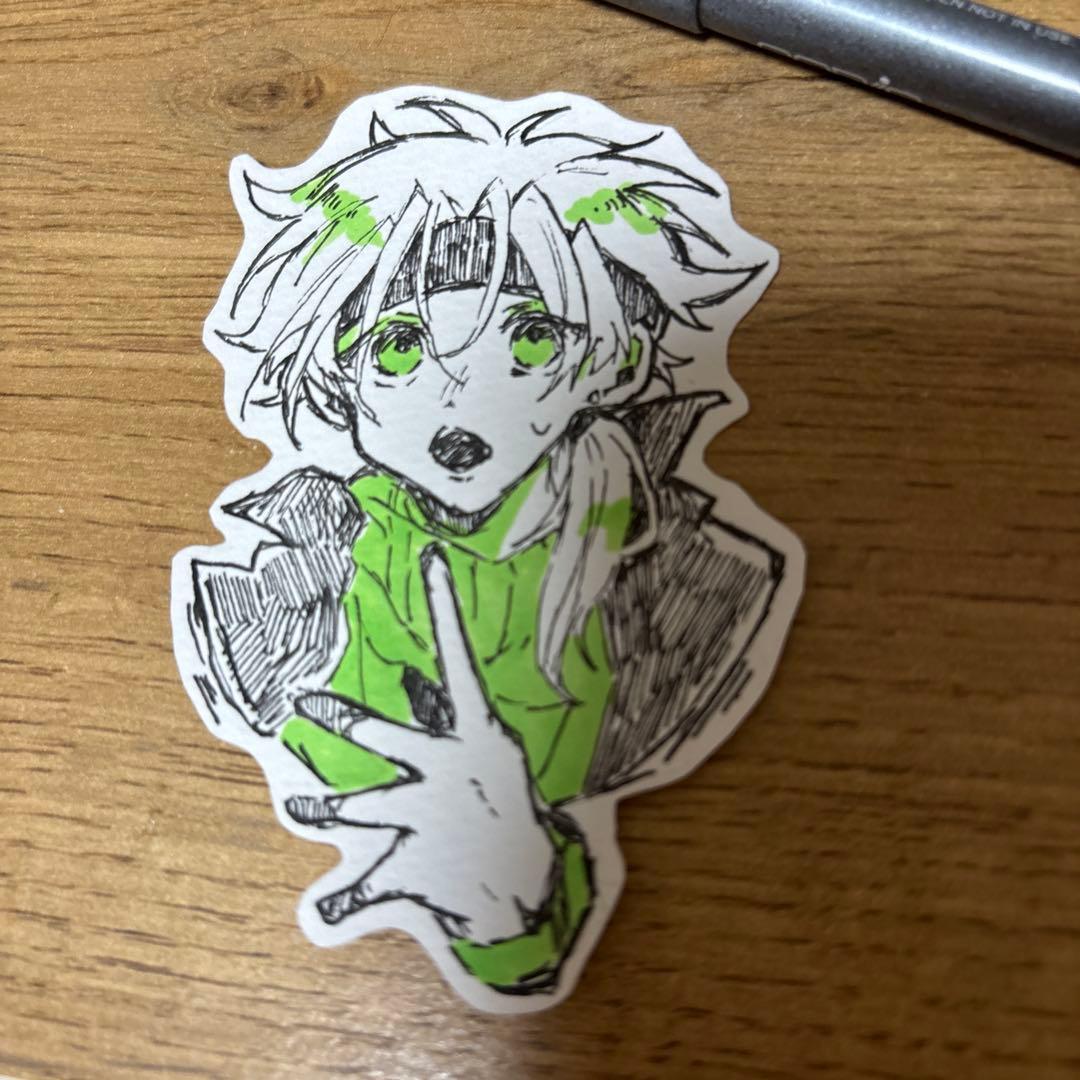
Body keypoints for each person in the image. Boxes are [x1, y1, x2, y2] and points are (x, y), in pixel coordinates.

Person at [175, 90, 803, 1008]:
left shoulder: (700, 596)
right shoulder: (268, 605)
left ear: (615, 359)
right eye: (399, 347)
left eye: (532, 336)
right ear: (337, 379)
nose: (459, 393)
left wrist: (513, 907)